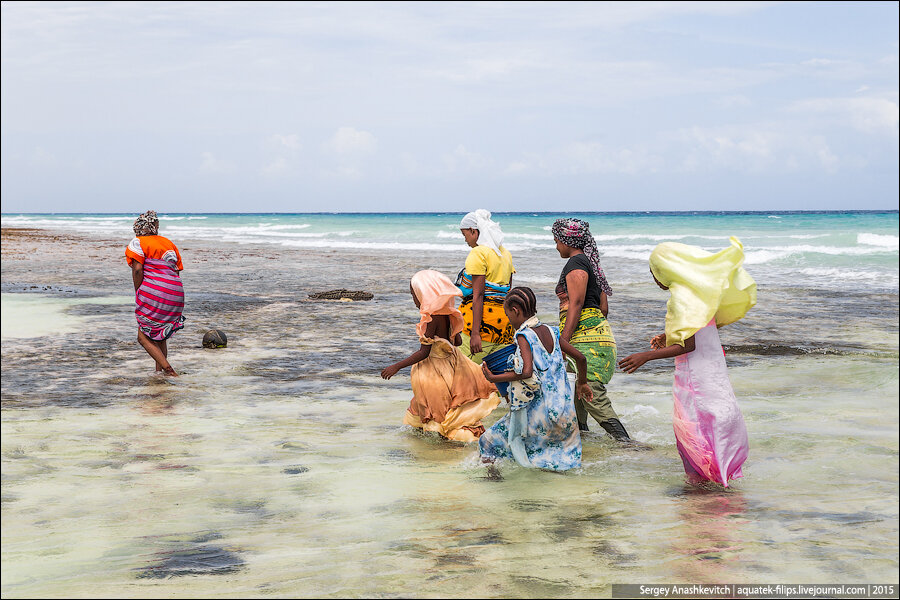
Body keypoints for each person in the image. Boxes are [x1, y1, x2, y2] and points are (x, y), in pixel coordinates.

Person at [618, 237, 756, 487]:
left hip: (695, 374)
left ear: (666, 270)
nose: (654, 279)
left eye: (654, 272)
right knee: (714, 416)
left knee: (693, 423)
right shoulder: (699, 292)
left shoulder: (682, 297)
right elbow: (696, 329)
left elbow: (687, 345)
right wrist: (667, 335)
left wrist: (645, 356)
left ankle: (700, 483)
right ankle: (716, 477)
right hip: (712, 368)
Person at [479, 287, 591, 471]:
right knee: (554, 460)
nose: (510, 321)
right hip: (564, 413)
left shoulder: (524, 335)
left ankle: (494, 485)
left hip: (538, 416)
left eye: (509, 317)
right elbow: (581, 358)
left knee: (488, 442)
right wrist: (583, 383)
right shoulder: (553, 332)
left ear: (515, 311)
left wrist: (493, 376)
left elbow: (526, 372)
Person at [381, 270, 501, 442]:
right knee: (450, 405)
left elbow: (424, 352)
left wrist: (397, 366)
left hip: (435, 370)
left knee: (436, 410)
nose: (414, 299)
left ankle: (443, 444)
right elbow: (457, 341)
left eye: (414, 294)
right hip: (452, 364)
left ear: (425, 294)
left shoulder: (431, 318)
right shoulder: (447, 313)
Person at [552, 218, 630, 441]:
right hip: (600, 336)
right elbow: (603, 309)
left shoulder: (575, 265)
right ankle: (583, 441)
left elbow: (576, 303)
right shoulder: (593, 265)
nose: (556, 245)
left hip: (586, 342)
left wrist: (564, 342)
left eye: (557, 240)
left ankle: (629, 445)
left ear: (568, 240)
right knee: (576, 395)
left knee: (592, 395)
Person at [125, 210, 185, 376]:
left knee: (143, 337)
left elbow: (138, 270)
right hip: (176, 294)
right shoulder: (168, 243)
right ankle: (160, 375)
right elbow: (175, 271)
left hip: (154, 293)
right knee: (160, 336)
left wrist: (139, 293)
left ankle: (169, 370)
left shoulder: (138, 242)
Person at [456, 209, 516, 363]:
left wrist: (475, 333)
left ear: (473, 231)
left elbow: (479, 295)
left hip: (480, 327)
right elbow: (507, 292)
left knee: (464, 375)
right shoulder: (505, 254)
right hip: (504, 327)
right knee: (494, 379)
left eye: (465, 235)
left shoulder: (478, 253)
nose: (465, 240)